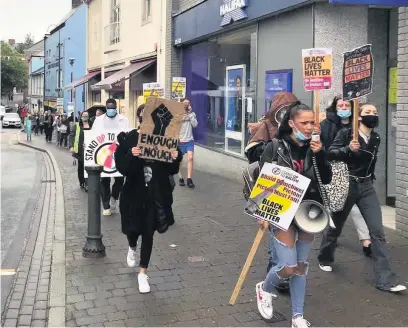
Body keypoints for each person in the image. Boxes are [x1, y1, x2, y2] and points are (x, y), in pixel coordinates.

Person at [255, 102, 332, 327]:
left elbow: (325, 179)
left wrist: (320, 154)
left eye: (312, 122)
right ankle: (265, 288)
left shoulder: (315, 147)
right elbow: (263, 181)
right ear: (291, 123)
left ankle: (297, 316)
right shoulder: (275, 146)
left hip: (309, 210)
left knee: (301, 265)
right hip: (283, 210)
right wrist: (263, 213)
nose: (309, 127)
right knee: (288, 266)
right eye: (304, 122)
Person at [318, 103, 406, 293]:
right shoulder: (347, 133)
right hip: (348, 184)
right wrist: (348, 149)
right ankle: (325, 257)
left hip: (367, 186)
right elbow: (331, 154)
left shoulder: (376, 137)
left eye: (374, 112)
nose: (372, 115)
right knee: (336, 225)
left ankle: (385, 281)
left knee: (377, 231)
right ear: (358, 116)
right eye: (367, 112)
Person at [115, 128, 182, 293]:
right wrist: (131, 154)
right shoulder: (129, 138)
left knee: (148, 233)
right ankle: (132, 246)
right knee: (132, 231)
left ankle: (143, 273)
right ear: (140, 119)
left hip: (154, 197)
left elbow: (172, 169)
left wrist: (176, 156)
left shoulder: (162, 139)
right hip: (133, 197)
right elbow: (122, 167)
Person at [245, 92, 298, 294]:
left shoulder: (299, 129)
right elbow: (252, 156)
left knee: (289, 233)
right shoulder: (265, 128)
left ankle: (282, 270)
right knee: (276, 230)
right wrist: (272, 146)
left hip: (295, 188)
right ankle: (275, 271)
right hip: (273, 188)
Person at [320, 96, 372, 257]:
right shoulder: (326, 125)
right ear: (335, 107)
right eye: (340, 105)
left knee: (355, 207)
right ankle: (330, 242)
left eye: (346, 105)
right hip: (333, 169)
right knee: (335, 208)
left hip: (353, 171)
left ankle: (366, 241)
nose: (343, 108)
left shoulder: (357, 125)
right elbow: (324, 148)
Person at [92, 98, 129, 216]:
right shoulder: (98, 120)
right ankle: (106, 205)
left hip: (118, 153)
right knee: (104, 179)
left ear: (116, 108)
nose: (111, 110)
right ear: (106, 108)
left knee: (119, 179)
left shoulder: (124, 120)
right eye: (109, 108)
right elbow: (93, 135)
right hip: (104, 153)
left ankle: (114, 196)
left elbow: (127, 136)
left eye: (113, 108)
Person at [178, 98, 198, 188]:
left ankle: (189, 179)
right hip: (180, 141)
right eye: (185, 104)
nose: (187, 105)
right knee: (178, 161)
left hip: (189, 140)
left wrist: (190, 114)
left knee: (190, 158)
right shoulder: (178, 114)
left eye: (188, 103)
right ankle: (180, 177)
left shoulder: (192, 114)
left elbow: (195, 125)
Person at [70, 111, 92, 190]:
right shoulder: (77, 125)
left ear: (88, 117)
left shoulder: (92, 125)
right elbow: (72, 136)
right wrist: (71, 146)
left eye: (86, 115)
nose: (85, 117)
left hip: (90, 149)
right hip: (80, 150)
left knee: (88, 166)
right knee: (81, 167)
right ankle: (82, 182)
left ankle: (88, 183)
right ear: (81, 117)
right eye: (84, 115)